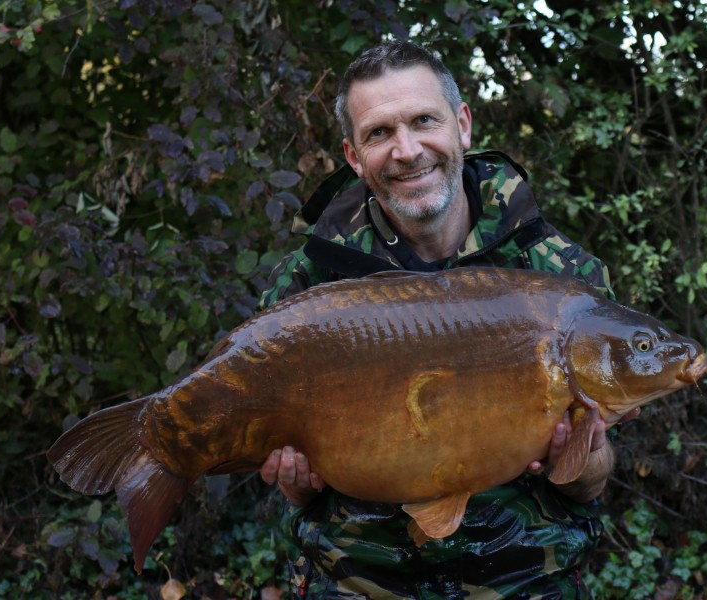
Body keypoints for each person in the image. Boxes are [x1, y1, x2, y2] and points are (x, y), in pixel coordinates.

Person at [257, 40, 633, 599]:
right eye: (379, 133)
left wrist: (580, 459)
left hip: (524, 578)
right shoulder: (308, 285)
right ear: (354, 157)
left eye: (424, 121)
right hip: (357, 581)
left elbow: (592, 484)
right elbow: (295, 488)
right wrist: (292, 481)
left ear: (462, 125)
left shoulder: (563, 278)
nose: (407, 150)